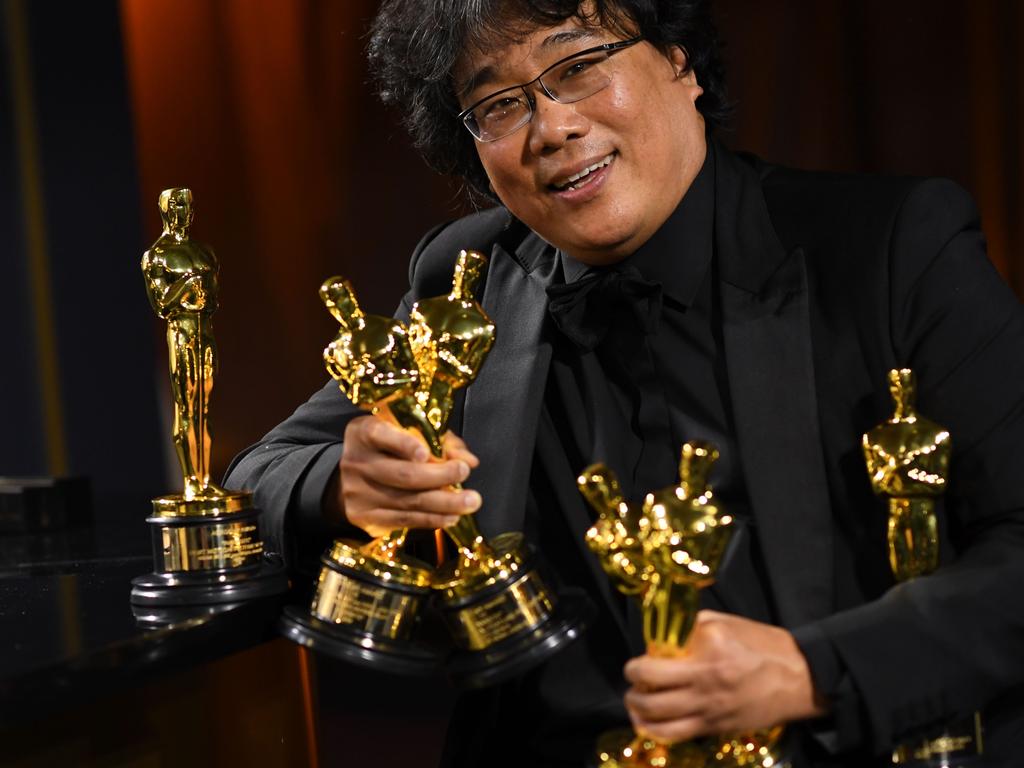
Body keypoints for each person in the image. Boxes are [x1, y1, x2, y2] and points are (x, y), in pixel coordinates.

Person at [225, 1, 1024, 765]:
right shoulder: (466, 284)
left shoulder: (889, 249)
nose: (553, 127)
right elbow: (256, 475)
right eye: (499, 105)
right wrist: (346, 484)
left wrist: (816, 670)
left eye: (578, 65)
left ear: (680, 61)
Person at [142, 187, 227, 499]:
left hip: (205, 329)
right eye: (177, 204)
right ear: (165, 208)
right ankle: (192, 481)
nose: (183, 211)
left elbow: (214, 298)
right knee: (187, 407)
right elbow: (162, 304)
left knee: (205, 408)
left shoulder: (204, 251)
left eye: (188, 205)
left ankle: (205, 480)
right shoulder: (158, 255)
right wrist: (188, 288)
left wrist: (203, 295)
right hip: (182, 330)